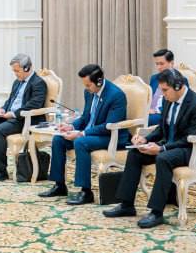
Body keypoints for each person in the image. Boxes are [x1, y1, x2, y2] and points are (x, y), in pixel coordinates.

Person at [103, 68, 196, 228]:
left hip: (194, 149)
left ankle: (156, 212)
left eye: (165, 90)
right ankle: (126, 204)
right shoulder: (168, 100)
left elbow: (189, 138)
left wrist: (162, 149)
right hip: (172, 146)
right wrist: (145, 139)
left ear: (178, 87)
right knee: (135, 153)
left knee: (163, 158)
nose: (162, 94)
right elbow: (162, 128)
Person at [38, 64, 128, 205]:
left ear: (99, 81)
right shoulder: (89, 92)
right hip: (91, 133)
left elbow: (108, 126)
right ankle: (59, 185)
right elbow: (86, 117)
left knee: (81, 142)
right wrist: (72, 126)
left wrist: (82, 133)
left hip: (111, 137)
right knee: (58, 139)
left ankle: (86, 192)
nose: (86, 88)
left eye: (88, 85)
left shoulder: (116, 95)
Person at [0, 54, 47, 181]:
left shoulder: (38, 83)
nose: (15, 74)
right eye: (14, 71)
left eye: (17, 71)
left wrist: (12, 114)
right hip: (11, 117)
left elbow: (34, 104)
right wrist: (3, 109)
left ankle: (0, 170)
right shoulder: (17, 82)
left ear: (27, 68)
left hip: (25, 120)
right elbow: (10, 100)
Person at [148, 48, 176, 126]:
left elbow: (179, 104)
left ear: (171, 63)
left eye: (161, 64)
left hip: (165, 114)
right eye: (157, 64)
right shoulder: (154, 78)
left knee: (146, 119)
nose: (158, 67)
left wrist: (156, 110)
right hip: (149, 112)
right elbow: (150, 98)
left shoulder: (179, 80)